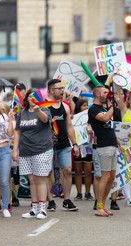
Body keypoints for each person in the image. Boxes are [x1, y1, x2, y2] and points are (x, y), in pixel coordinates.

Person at [13, 88, 53, 219]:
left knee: (40, 179)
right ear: (26, 99)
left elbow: (46, 120)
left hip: (41, 149)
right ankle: (34, 208)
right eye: (30, 96)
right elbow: (18, 131)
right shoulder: (22, 113)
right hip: (25, 151)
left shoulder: (45, 110)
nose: (32, 98)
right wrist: (15, 150)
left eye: (35, 96)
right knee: (32, 180)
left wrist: (38, 110)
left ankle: (42, 208)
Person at [88, 85, 123, 217]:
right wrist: (113, 105)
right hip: (104, 146)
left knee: (112, 176)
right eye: (105, 92)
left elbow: (111, 128)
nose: (107, 94)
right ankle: (99, 206)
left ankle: (103, 204)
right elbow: (104, 119)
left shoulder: (104, 108)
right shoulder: (93, 109)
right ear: (98, 94)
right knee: (105, 176)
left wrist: (119, 143)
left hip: (112, 145)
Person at [46, 79, 80, 211]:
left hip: (64, 144)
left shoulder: (65, 106)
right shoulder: (43, 106)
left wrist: (75, 144)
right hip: (47, 146)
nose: (62, 90)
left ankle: (66, 200)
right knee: (47, 173)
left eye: (62, 88)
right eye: (59, 88)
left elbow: (69, 126)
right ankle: (50, 200)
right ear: (50, 90)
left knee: (67, 170)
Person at [73, 99, 94, 202]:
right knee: (77, 171)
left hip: (88, 147)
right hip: (77, 146)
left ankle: (88, 192)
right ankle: (78, 193)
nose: (86, 107)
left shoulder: (91, 118)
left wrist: (90, 131)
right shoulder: (74, 118)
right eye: (84, 105)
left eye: (87, 105)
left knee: (88, 171)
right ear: (79, 107)